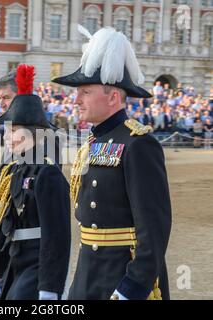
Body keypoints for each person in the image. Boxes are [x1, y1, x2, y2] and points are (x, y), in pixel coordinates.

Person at [52, 26, 172, 300]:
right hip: (88, 272)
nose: (76, 99)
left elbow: (153, 226)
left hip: (122, 274)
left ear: (113, 97)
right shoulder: (93, 143)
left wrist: (134, 285)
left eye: (85, 92)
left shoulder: (138, 144)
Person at [0, 64, 71, 300]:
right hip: (12, 248)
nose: (6, 137)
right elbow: (7, 213)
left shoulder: (45, 168)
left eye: (13, 131)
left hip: (36, 256)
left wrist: (50, 285)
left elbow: (56, 233)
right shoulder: (17, 165)